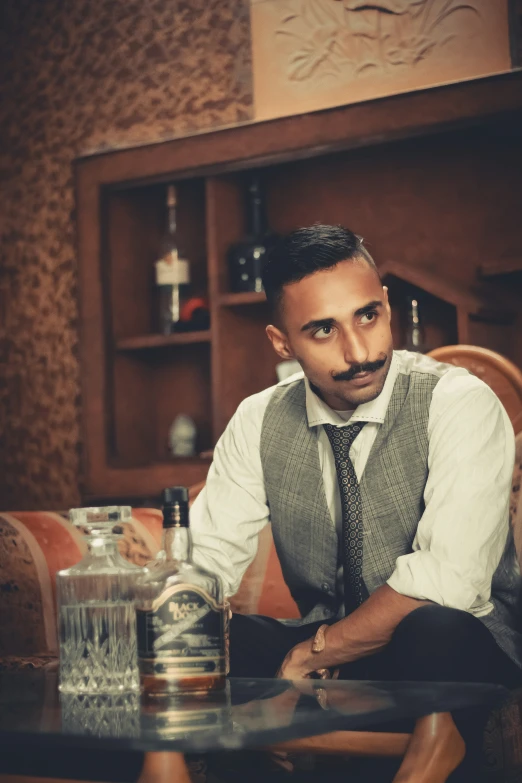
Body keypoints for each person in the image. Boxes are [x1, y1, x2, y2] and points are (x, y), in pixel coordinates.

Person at [190, 224, 522, 781]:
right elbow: (205, 564)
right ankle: (261, 738)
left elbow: (450, 579)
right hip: (331, 630)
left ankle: (428, 744)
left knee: (435, 629)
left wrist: (312, 657)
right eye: (323, 330)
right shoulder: (259, 419)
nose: (359, 351)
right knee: (210, 638)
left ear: (386, 304)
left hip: (455, 638)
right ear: (281, 342)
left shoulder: (458, 401)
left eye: (367, 315)